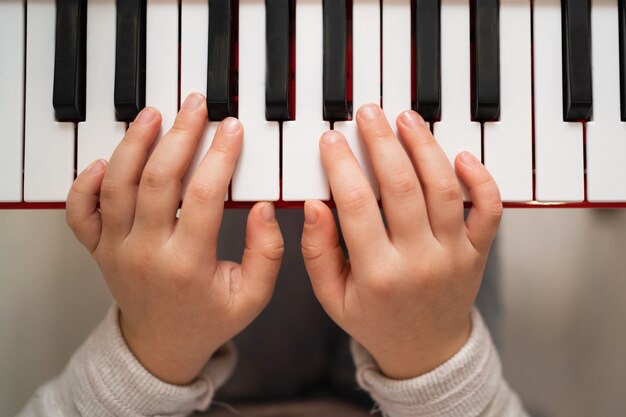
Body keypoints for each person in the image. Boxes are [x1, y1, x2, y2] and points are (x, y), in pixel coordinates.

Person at [18, 93, 528, 417]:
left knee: (240, 161)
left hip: (213, 399)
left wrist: (151, 356)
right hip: (418, 385)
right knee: (426, 181)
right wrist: (434, 363)